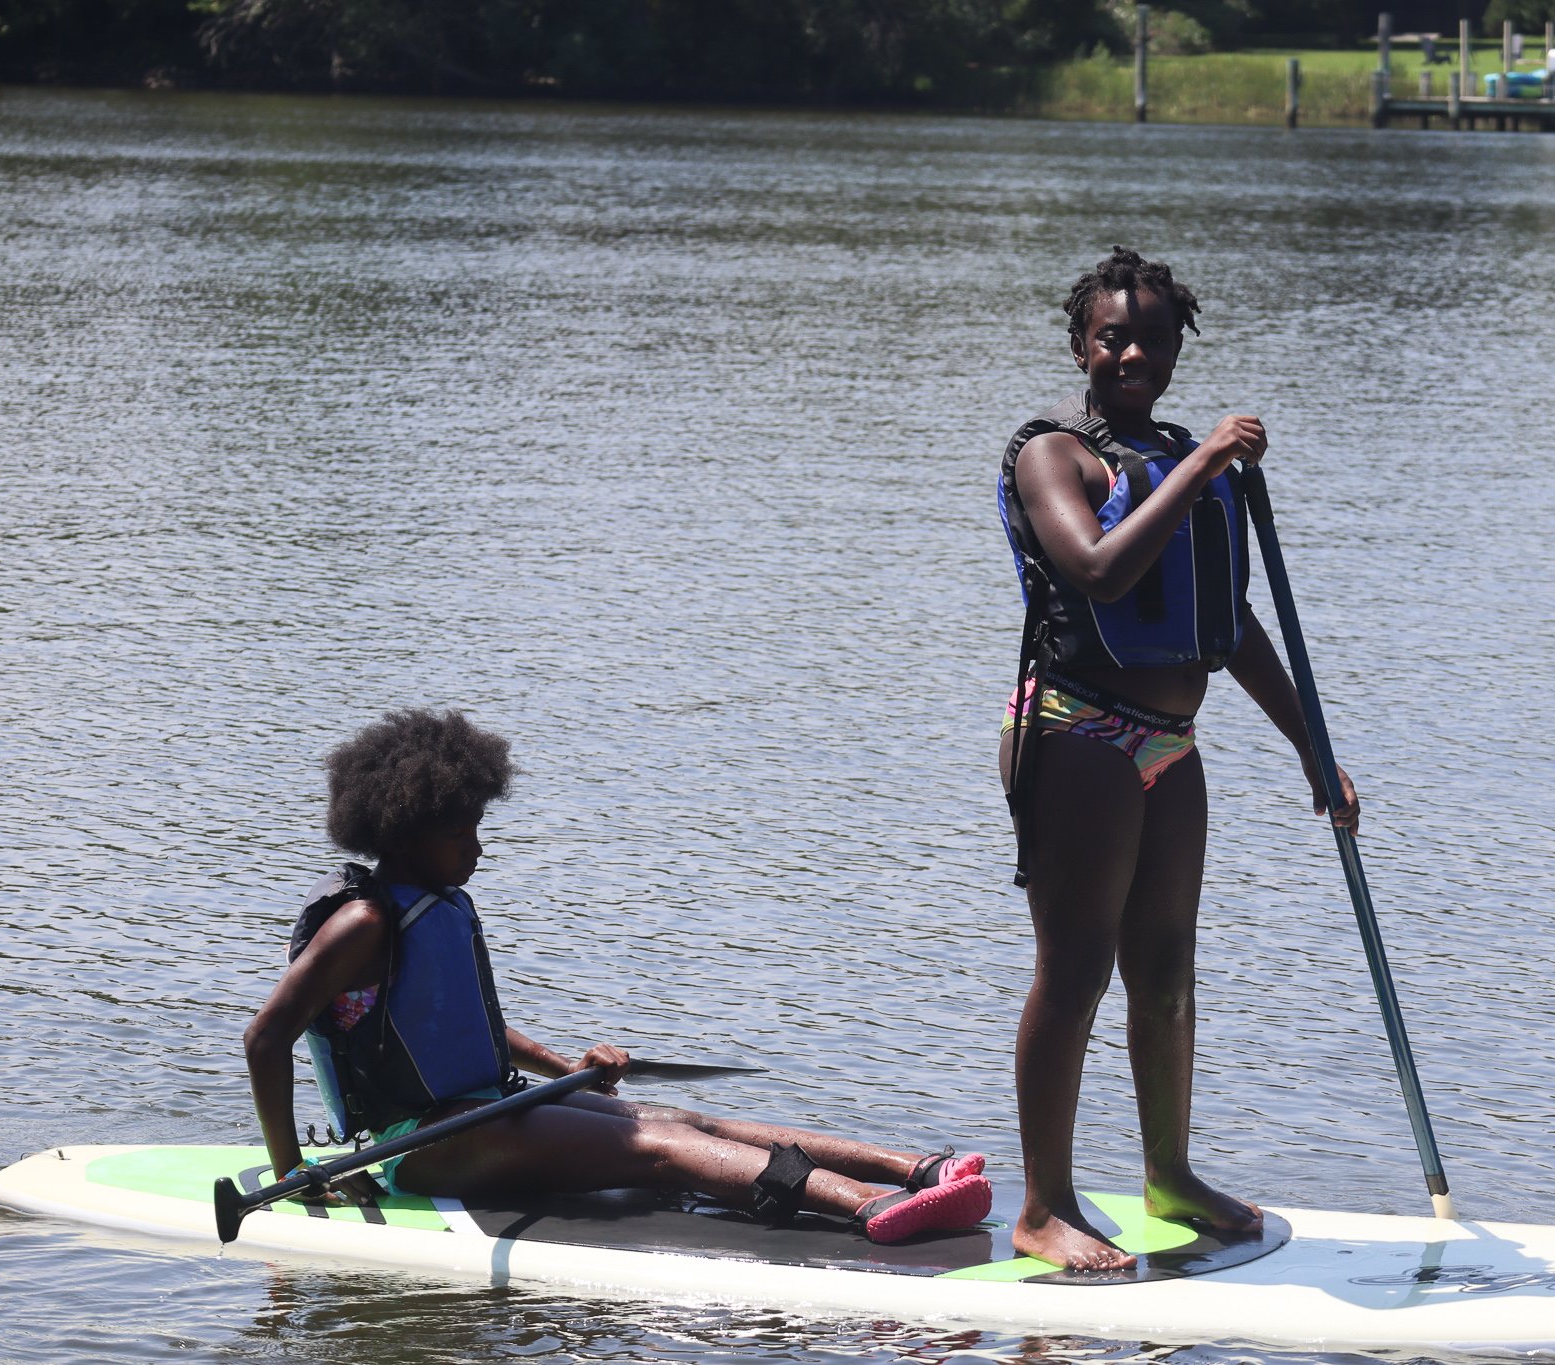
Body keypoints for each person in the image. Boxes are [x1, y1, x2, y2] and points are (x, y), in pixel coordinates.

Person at [245, 707, 991, 1243]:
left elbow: (459, 1027)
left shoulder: (435, 906)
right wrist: (296, 1169)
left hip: (476, 1108)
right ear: (403, 831)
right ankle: (867, 1206)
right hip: (413, 1142)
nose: (475, 849)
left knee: (676, 1121)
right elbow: (264, 1037)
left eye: (478, 827)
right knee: (654, 1151)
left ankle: (915, 1167)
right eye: (457, 832)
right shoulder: (364, 923)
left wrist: (567, 1066)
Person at [996, 247, 1360, 1272]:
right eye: (1111, 334)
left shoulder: (1173, 459)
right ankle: (1042, 1207)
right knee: (1075, 974)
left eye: (1150, 335)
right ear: (1079, 343)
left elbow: (1226, 622)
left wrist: (1311, 749)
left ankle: (1167, 1176)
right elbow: (1101, 573)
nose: (1131, 352)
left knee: (1164, 976)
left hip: (1169, 746)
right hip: (1076, 732)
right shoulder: (1051, 456)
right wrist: (1204, 462)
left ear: (1172, 348)